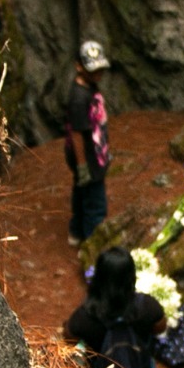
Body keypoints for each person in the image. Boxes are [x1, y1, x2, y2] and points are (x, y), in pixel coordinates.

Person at [64, 39, 111, 245]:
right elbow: (76, 134)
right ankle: (93, 246)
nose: (97, 74)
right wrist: (83, 166)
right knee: (96, 202)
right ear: (78, 66)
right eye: (92, 70)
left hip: (94, 154)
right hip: (87, 159)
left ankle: (76, 231)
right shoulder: (78, 97)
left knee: (82, 193)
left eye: (100, 69)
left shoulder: (89, 87)